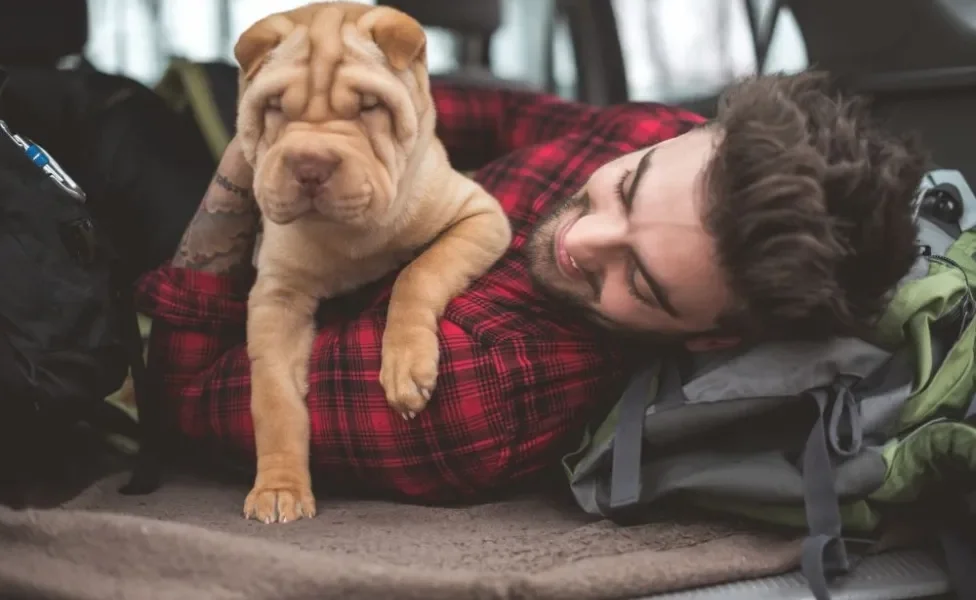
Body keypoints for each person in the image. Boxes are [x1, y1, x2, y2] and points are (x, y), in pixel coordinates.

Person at [135, 70, 928, 503]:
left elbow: (185, 394)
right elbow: (496, 111)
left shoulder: (483, 388)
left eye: (639, 283)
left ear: (711, 337)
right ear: (698, 132)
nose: (581, 240)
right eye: (626, 189)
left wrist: (244, 169)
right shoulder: (655, 138)